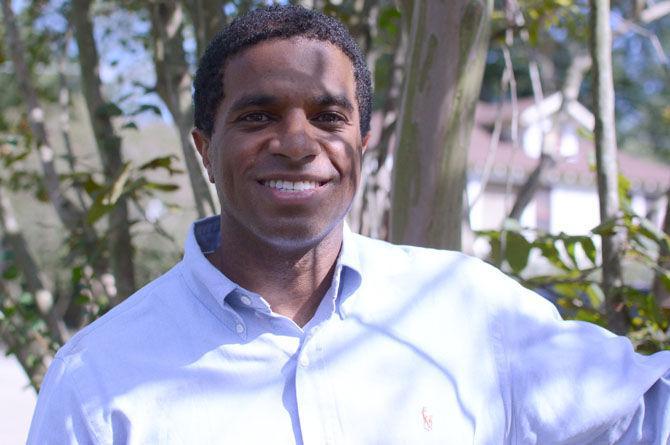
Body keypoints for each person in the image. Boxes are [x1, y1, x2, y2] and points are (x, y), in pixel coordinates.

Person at [28, 5, 670, 444]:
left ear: (362, 142)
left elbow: (644, 415)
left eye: (330, 118)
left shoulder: (467, 309)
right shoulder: (101, 374)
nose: (299, 144)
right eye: (258, 116)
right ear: (204, 147)